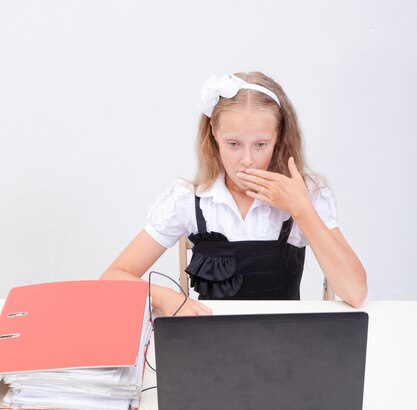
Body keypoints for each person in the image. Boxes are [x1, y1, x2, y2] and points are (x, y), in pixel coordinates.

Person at [101, 71, 367, 314]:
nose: (247, 160)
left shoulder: (304, 195)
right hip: (211, 344)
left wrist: (301, 208)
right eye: (234, 144)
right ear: (214, 134)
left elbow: (355, 292)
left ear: (279, 138)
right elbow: (113, 277)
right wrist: (166, 298)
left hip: (284, 345)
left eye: (261, 144)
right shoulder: (190, 199)